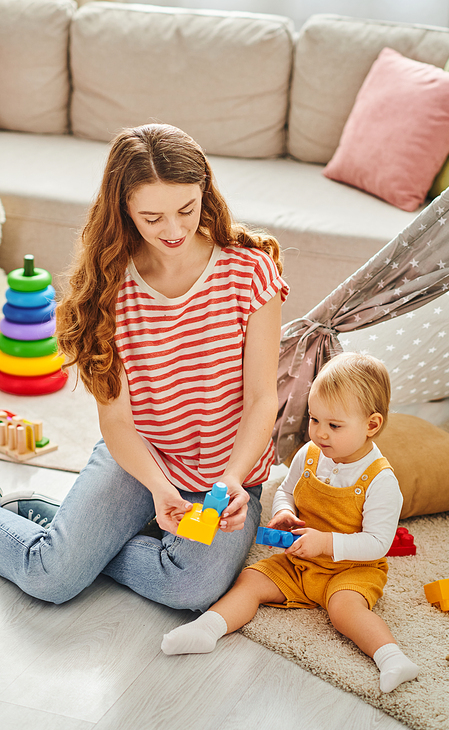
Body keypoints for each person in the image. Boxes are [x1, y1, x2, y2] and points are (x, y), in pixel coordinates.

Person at [0, 123, 288, 611]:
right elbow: (116, 421)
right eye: (152, 217)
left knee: (190, 589)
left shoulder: (250, 270)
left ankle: (74, 535)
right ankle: (67, 542)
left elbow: (263, 398)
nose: (173, 231)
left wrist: (235, 479)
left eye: (186, 210)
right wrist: (159, 489)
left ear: (204, 193)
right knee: (50, 578)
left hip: (227, 473)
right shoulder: (107, 288)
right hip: (139, 460)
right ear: (124, 209)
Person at [161, 352, 419, 693]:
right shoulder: (309, 453)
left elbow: (377, 543)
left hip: (351, 568)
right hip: (300, 558)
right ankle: (207, 628)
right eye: (314, 420)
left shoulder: (380, 481)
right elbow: (286, 491)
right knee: (251, 579)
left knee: (344, 611)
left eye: (334, 425)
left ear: (371, 425)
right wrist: (283, 511)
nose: (320, 433)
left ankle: (392, 659)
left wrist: (326, 543)